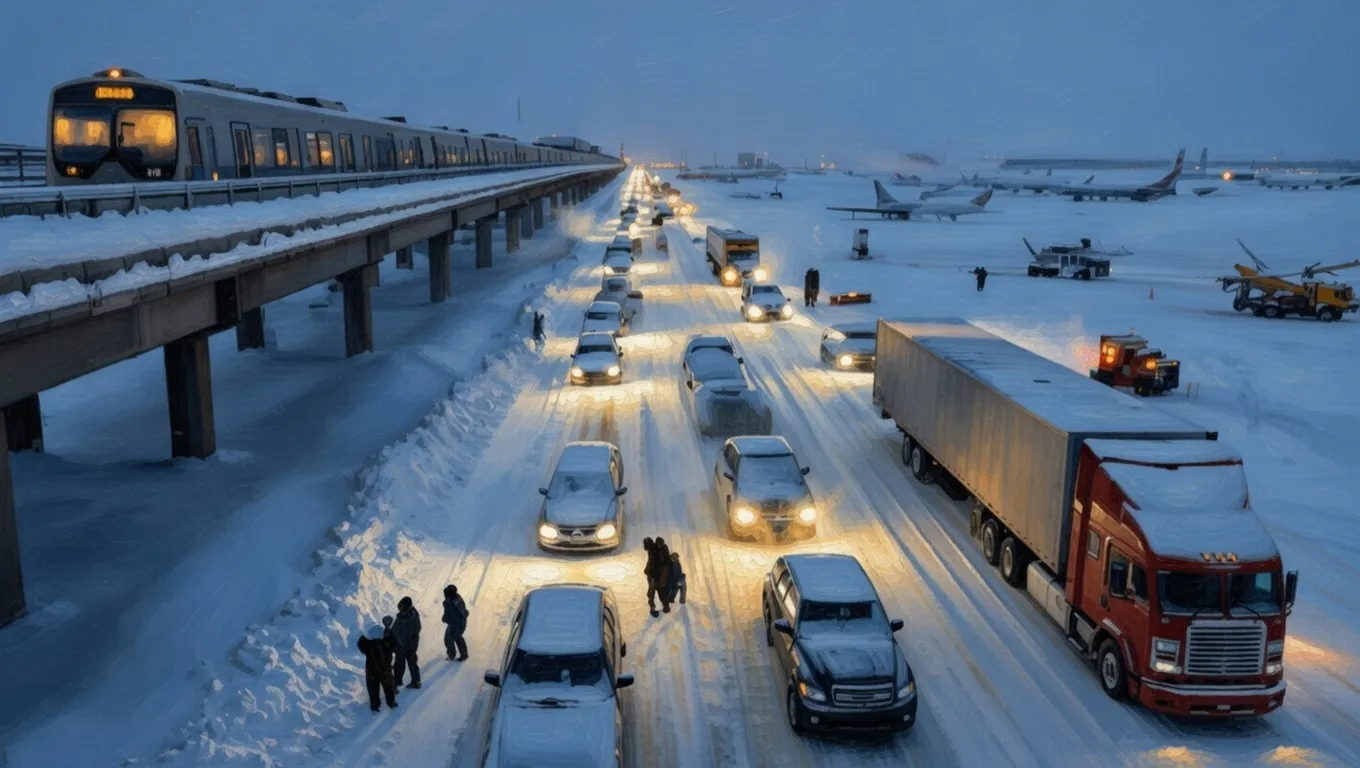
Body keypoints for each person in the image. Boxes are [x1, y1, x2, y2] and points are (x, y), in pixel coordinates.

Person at [357, 625, 398, 712]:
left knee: (374, 690)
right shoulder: (387, 644)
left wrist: (363, 637)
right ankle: (391, 703)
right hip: (385, 671)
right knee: (388, 688)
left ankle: (375, 706)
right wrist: (389, 634)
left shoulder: (369, 645)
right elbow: (394, 643)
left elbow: (360, 644)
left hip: (373, 673)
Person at [391, 596, 422, 689]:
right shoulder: (407, 614)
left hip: (406, 644)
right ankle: (401, 681)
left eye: (401, 607)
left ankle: (400, 682)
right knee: (404, 662)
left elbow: (414, 630)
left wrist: (405, 644)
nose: (400, 609)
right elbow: (396, 629)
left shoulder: (410, 616)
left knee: (406, 662)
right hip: (404, 644)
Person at [644, 537, 673, 616]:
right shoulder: (660, 549)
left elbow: (655, 564)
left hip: (656, 576)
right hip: (659, 576)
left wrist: (653, 575)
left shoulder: (655, 551)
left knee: (653, 592)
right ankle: (665, 606)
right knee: (659, 592)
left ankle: (653, 608)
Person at [442, 584, 470, 661]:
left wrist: (458, 626)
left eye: (446, 594)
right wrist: (446, 617)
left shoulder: (456, 602)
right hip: (453, 623)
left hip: (458, 624)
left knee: (456, 638)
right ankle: (452, 654)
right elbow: (449, 612)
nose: (445, 596)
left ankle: (463, 654)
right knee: (448, 639)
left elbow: (462, 614)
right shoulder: (450, 600)